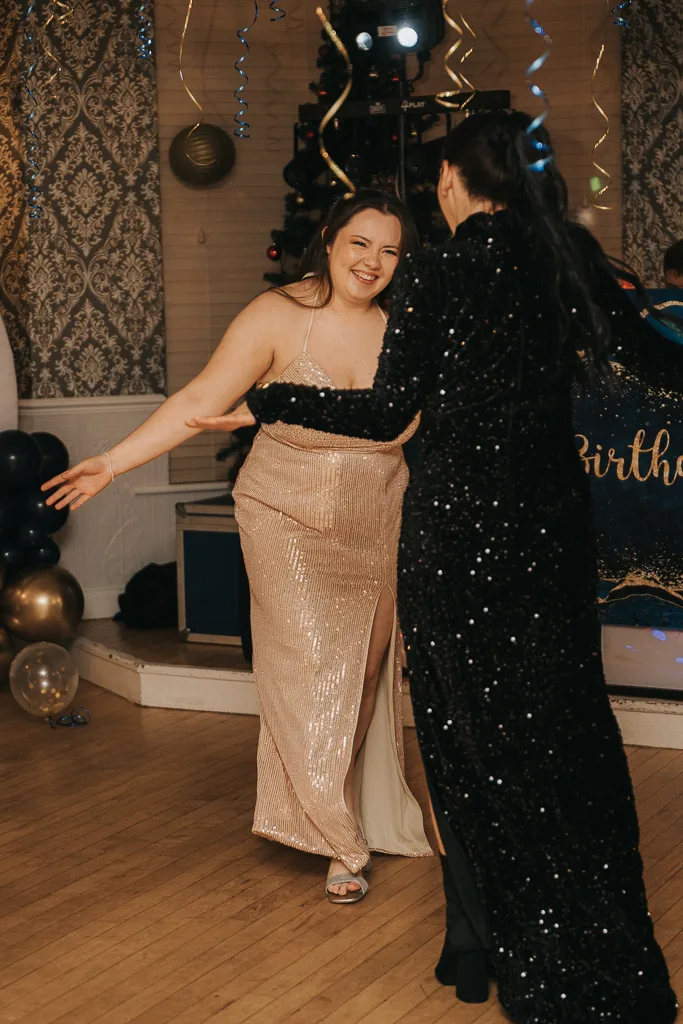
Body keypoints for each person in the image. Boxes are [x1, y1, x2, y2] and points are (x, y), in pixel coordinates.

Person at [222, 112, 681, 1022]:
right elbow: (660, 363)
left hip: (459, 543)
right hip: (549, 540)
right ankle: (558, 948)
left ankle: (485, 944)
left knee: (467, 750)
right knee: (563, 737)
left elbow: (386, 412)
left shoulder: (439, 271)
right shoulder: (566, 258)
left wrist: (272, 397)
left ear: (453, 182)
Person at [42, 191, 432, 904]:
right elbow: (199, 399)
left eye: (389, 250)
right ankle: (338, 841)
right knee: (307, 672)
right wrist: (113, 463)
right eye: (359, 243)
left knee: (364, 678)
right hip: (285, 518)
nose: (372, 262)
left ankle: (341, 805)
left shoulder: (404, 328)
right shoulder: (278, 316)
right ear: (329, 239)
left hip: (379, 521)